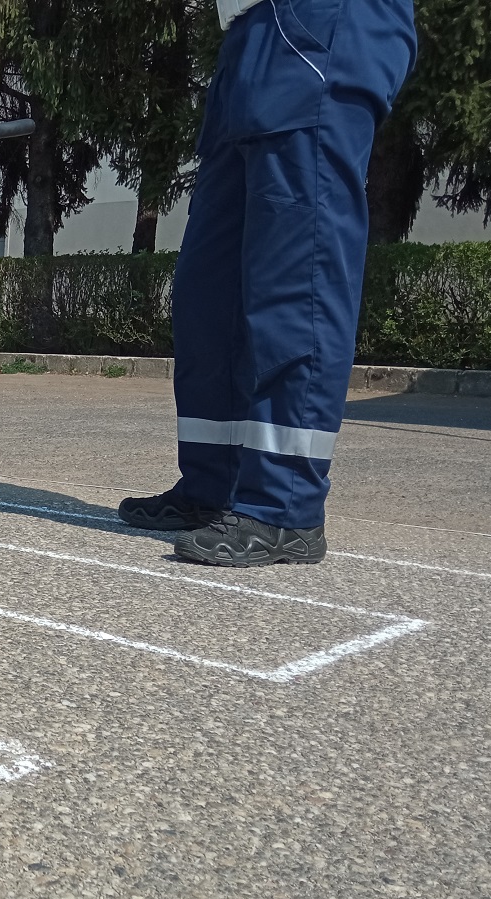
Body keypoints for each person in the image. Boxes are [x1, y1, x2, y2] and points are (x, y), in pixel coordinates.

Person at [119, 0, 417, 566]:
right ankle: (215, 483)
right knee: (212, 295)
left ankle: (284, 505)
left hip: (319, 24)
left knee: (295, 285)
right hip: (252, 35)